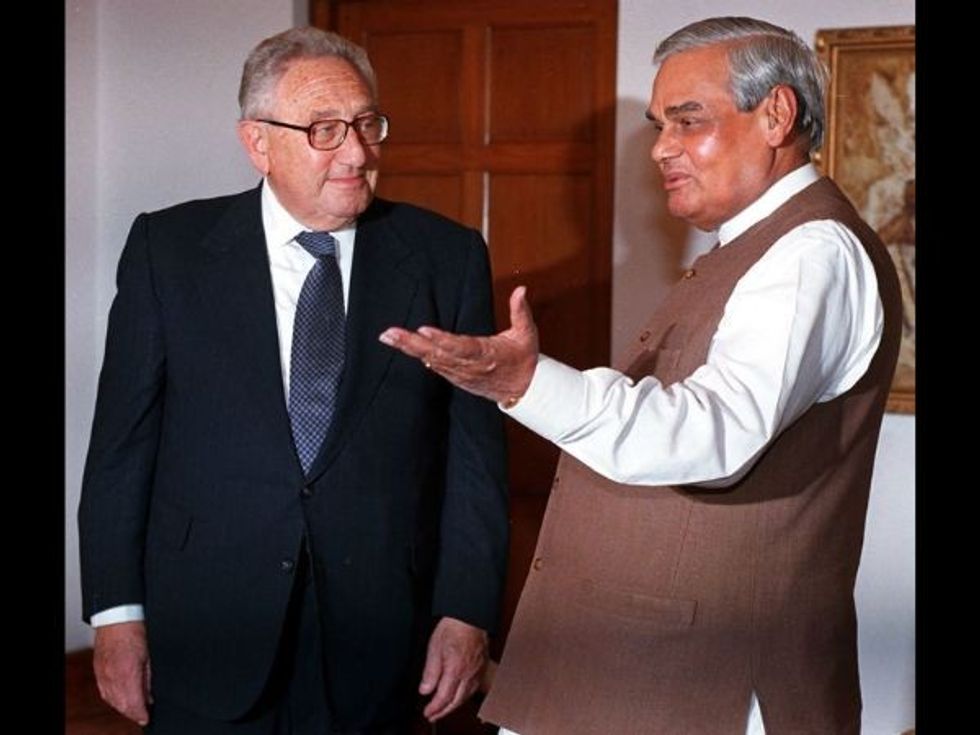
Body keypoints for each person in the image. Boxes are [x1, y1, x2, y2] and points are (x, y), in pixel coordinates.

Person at [380, 16, 902, 735]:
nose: (662, 149)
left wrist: (527, 384)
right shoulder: (755, 247)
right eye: (661, 125)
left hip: (697, 687)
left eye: (689, 122)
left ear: (776, 115)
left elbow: (711, 433)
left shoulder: (810, 253)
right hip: (631, 677)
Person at [78, 26, 508, 735]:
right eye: (326, 129)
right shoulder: (169, 251)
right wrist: (117, 613)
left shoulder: (446, 257)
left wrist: (467, 610)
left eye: (368, 124)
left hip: (379, 636)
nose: (359, 152)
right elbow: (121, 446)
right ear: (258, 143)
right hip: (207, 627)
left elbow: (474, 457)